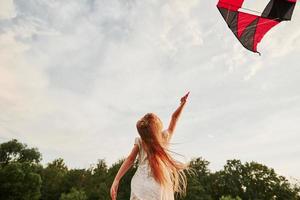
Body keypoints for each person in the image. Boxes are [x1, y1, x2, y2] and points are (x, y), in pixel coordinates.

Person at [110, 92, 194, 200]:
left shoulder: (140, 141)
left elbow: (130, 159)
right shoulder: (163, 138)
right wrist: (182, 104)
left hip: (140, 183)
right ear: (157, 127)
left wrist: (116, 179)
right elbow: (174, 118)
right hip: (157, 185)